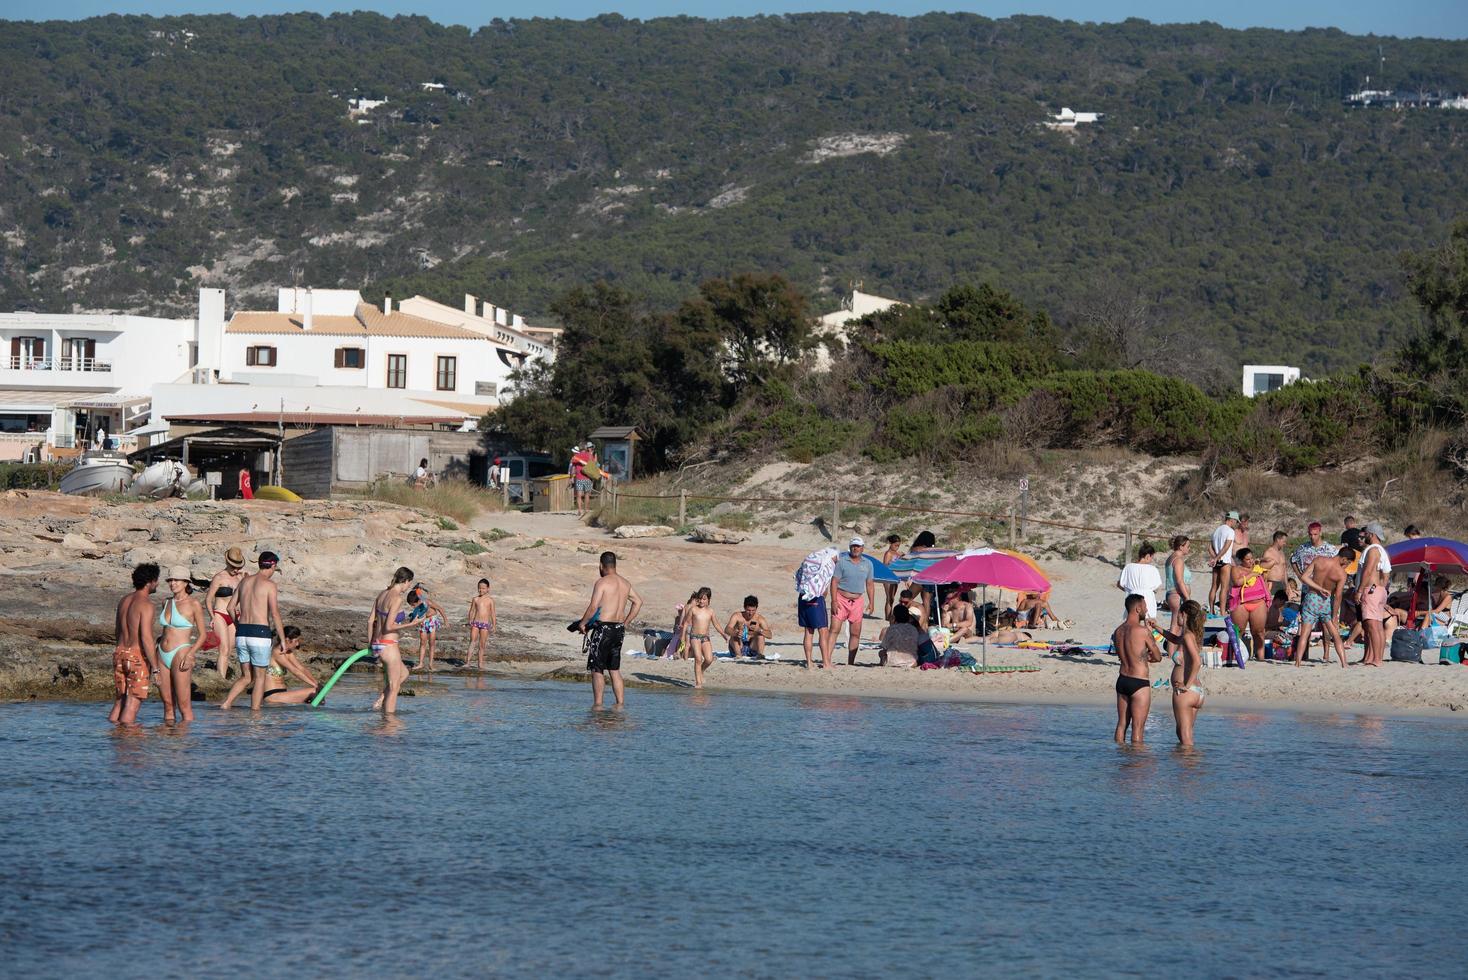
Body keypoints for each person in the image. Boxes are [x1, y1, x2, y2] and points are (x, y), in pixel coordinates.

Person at [577, 551, 642, 707]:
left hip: (603, 629)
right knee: (614, 669)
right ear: (615, 564)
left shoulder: (602, 582)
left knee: (597, 669)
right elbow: (638, 602)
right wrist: (625, 622)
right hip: (619, 629)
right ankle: (620, 705)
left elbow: (593, 607)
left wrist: (582, 623)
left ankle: (598, 706)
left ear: (601, 565)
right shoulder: (625, 583)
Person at [222, 551, 286, 711]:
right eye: (274, 567)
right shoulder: (270, 585)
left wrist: (237, 624)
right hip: (260, 633)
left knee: (246, 676)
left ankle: (226, 704)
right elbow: (275, 613)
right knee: (259, 677)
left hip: (242, 633)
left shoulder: (244, 582)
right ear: (272, 565)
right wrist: (283, 639)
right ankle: (255, 714)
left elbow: (230, 607)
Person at [111, 563, 161, 725]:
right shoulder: (146, 605)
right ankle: (130, 744)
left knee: (120, 701)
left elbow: (118, 631)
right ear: (150, 582)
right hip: (136, 657)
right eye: (156, 581)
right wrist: (155, 668)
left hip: (119, 652)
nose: (158, 584)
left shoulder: (124, 600)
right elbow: (146, 638)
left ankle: (113, 737)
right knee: (132, 703)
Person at [156, 567, 208, 724]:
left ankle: (184, 746)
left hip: (181, 652)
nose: (173, 583)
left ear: (186, 582)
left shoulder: (194, 604)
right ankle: (167, 744)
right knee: (167, 705)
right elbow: (165, 631)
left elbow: (203, 635)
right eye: (170, 580)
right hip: (161, 653)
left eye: (176, 580)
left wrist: (191, 654)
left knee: (184, 706)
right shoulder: (166, 602)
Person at [1292, 547, 1356, 667]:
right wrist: (1335, 615)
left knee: (1305, 633)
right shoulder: (1341, 573)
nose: (1347, 566)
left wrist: (1318, 588)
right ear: (1343, 559)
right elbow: (1338, 596)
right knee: (1335, 634)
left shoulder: (1319, 560)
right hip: (1325, 602)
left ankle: (1298, 662)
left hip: (1311, 599)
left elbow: (1304, 578)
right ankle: (1344, 663)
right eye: (1348, 563)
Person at [1111, 594, 1162, 745]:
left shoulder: (1118, 631)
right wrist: (1149, 632)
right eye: (1145, 607)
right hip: (1139, 682)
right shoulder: (1142, 631)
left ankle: (1120, 759)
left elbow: (1124, 655)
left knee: (1121, 724)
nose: (1146, 610)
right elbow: (1158, 656)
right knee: (1137, 729)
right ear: (1137, 608)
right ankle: (1136, 765)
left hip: (1122, 680)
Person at [368, 566, 420, 713]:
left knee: (404, 674)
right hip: (389, 646)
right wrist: (411, 624)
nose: (409, 586)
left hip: (378, 644)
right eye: (410, 583)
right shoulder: (396, 598)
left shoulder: (382, 594)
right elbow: (389, 626)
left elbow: (370, 621)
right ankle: (389, 725)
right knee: (394, 687)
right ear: (406, 581)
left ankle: (381, 702)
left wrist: (371, 643)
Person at [1160, 599, 1207, 747]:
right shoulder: (1191, 635)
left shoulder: (1187, 636)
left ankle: (1188, 768)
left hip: (1186, 692)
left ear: (1183, 614)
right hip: (1196, 692)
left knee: (1185, 740)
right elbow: (1174, 639)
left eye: (1178, 614)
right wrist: (1157, 628)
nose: (1176, 618)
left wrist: (1186, 685)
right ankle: (1188, 769)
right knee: (1184, 735)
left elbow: (1197, 661)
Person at [204, 546, 248, 680]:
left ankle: (223, 674)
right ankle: (221, 679)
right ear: (227, 563)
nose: (236, 570)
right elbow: (208, 599)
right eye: (234, 567)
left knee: (231, 648)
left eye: (238, 567)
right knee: (224, 649)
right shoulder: (219, 577)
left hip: (235, 616)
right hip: (220, 615)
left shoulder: (241, 577)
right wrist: (212, 617)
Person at [832, 537, 876, 665]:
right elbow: (834, 581)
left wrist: (872, 602)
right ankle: (827, 660)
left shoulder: (868, 563)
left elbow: (869, 584)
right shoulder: (842, 561)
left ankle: (851, 662)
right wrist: (834, 600)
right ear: (850, 547)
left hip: (857, 600)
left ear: (862, 548)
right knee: (834, 629)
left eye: (858, 546)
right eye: (853, 546)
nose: (855, 548)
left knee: (855, 633)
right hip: (841, 598)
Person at [1227, 547, 1275, 662]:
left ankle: (1261, 658)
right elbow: (1237, 581)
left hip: (1258, 603)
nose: (1250, 561)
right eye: (1247, 559)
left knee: (1258, 632)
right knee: (1239, 630)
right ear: (1241, 560)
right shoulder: (1236, 569)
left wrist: (1260, 559)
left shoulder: (1257, 567)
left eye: (1251, 558)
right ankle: (1234, 656)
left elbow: (1272, 561)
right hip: (1242, 604)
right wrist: (1252, 574)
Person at [795, 547, 837, 669]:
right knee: (823, 631)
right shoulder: (826, 566)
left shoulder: (808, 565)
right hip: (816, 600)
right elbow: (824, 592)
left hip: (803, 597)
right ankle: (826, 663)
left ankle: (809, 662)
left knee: (808, 631)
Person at [1357, 523, 1392, 667]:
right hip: (1378, 590)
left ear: (1371, 534)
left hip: (1371, 590)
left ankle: (1377, 659)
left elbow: (1367, 571)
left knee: (1373, 626)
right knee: (1376, 626)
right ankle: (1375, 658)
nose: (1364, 537)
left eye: (1365, 534)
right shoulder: (1382, 551)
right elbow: (1386, 574)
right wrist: (1381, 588)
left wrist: (1360, 590)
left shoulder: (1372, 550)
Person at [259, 626, 320, 705]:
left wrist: (316, 683)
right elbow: (294, 671)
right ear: (287, 640)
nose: (297, 644)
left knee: (317, 692)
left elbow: (301, 668)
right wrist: (314, 685)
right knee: (314, 692)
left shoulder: (288, 652)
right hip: (272, 695)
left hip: (282, 693)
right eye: (296, 641)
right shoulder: (277, 652)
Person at [681, 587, 726, 688]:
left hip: (705, 638)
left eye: (704, 599)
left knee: (709, 659)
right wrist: (683, 638)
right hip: (694, 637)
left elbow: (716, 624)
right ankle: (698, 683)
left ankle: (701, 670)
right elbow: (686, 623)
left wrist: (723, 634)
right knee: (698, 658)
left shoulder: (710, 611)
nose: (701, 601)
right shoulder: (693, 609)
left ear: (709, 600)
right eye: (700, 598)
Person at [1118, 542, 1163, 623]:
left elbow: (1120, 584)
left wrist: (1130, 590)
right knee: (1150, 622)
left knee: (1133, 621)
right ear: (1148, 556)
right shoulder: (1152, 569)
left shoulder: (1128, 567)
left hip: (1132, 597)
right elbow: (1156, 587)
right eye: (1151, 557)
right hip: (1148, 597)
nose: (1151, 560)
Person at [1163, 535, 1194, 650]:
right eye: (1187, 546)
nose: (1189, 549)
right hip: (1177, 595)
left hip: (1172, 594)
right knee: (1176, 626)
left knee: (1178, 625)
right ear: (1181, 547)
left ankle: (1175, 652)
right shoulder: (1178, 560)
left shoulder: (1170, 558)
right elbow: (1180, 581)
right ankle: (1171, 653)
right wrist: (1187, 597)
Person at [1207, 510, 1240, 614]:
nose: (1236, 524)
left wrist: (1214, 558)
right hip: (1224, 561)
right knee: (1224, 588)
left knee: (1214, 587)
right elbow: (1227, 546)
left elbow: (1209, 547)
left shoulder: (1217, 530)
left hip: (1216, 562)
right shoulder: (1230, 531)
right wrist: (1218, 557)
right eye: (1236, 521)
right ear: (1231, 520)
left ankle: (1211, 610)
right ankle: (1222, 611)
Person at [410, 584, 448, 673]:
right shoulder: (418, 605)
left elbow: (440, 609)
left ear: (418, 601)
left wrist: (445, 620)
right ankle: (420, 663)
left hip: (432, 620)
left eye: (413, 605)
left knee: (432, 643)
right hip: (423, 621)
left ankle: (431, 664)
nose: (413, 607)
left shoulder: (428, 602)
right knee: (422, 642)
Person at [725, 595, 774, 660]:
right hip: (739, 646)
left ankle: (760, 655)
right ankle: (739, 656)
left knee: (761, 635)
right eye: (748, 610)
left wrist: (759, 630)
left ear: (756, 608)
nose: (750, 613)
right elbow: (727, 629)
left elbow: (770, 635)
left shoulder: (760, 619)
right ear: (744, 607)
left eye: (753, 610)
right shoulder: (737, 616)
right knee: (734, 636)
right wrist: (736, 633)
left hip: (752, 647)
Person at [466, 578, 497, 671]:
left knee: (482, 644)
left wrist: (494, 625)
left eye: (483, 588)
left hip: (485, 624)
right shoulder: (475, 599)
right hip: (476, 623)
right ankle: (467, 662)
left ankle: (480, 664)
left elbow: (493, 614)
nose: (481, 590)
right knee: (472, 642)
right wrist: (470, 620)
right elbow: (472, 611)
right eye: (479, 588)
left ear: (488, 589)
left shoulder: (490, 600)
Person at [569, 444, 595, 517]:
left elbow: (573, 468)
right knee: (587, 494)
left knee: (579, 495)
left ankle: (580, 510)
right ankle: (586, 510)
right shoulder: (589, 455)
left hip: (579, 477)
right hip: (587, 478)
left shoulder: (576, 456)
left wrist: (571, 477)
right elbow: (593, 466)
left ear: (579, 449)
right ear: (586, 448)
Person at [881, 534, 903, 618]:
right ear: (891, 543)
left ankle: (889, 615)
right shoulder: (888, 553)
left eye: (898, 546)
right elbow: (885, 565)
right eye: (895, 545)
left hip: (895, 577)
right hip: (887, 577)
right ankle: (887, 617)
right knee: (889, 597)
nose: (897, 547)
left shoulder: (897, 553)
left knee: (892, 598)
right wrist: (892, 563)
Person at [1263, 530, 1289, 598]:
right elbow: (1263, 570)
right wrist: (1265, 584)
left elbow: (1284, 570)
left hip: (1282, 584)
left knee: (1281, 605)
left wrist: (1287, 585)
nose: (1285, 543)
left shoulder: (1282, 553)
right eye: (1284, 541)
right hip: (1272, 583)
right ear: (1278, 540)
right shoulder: (1268, 552)